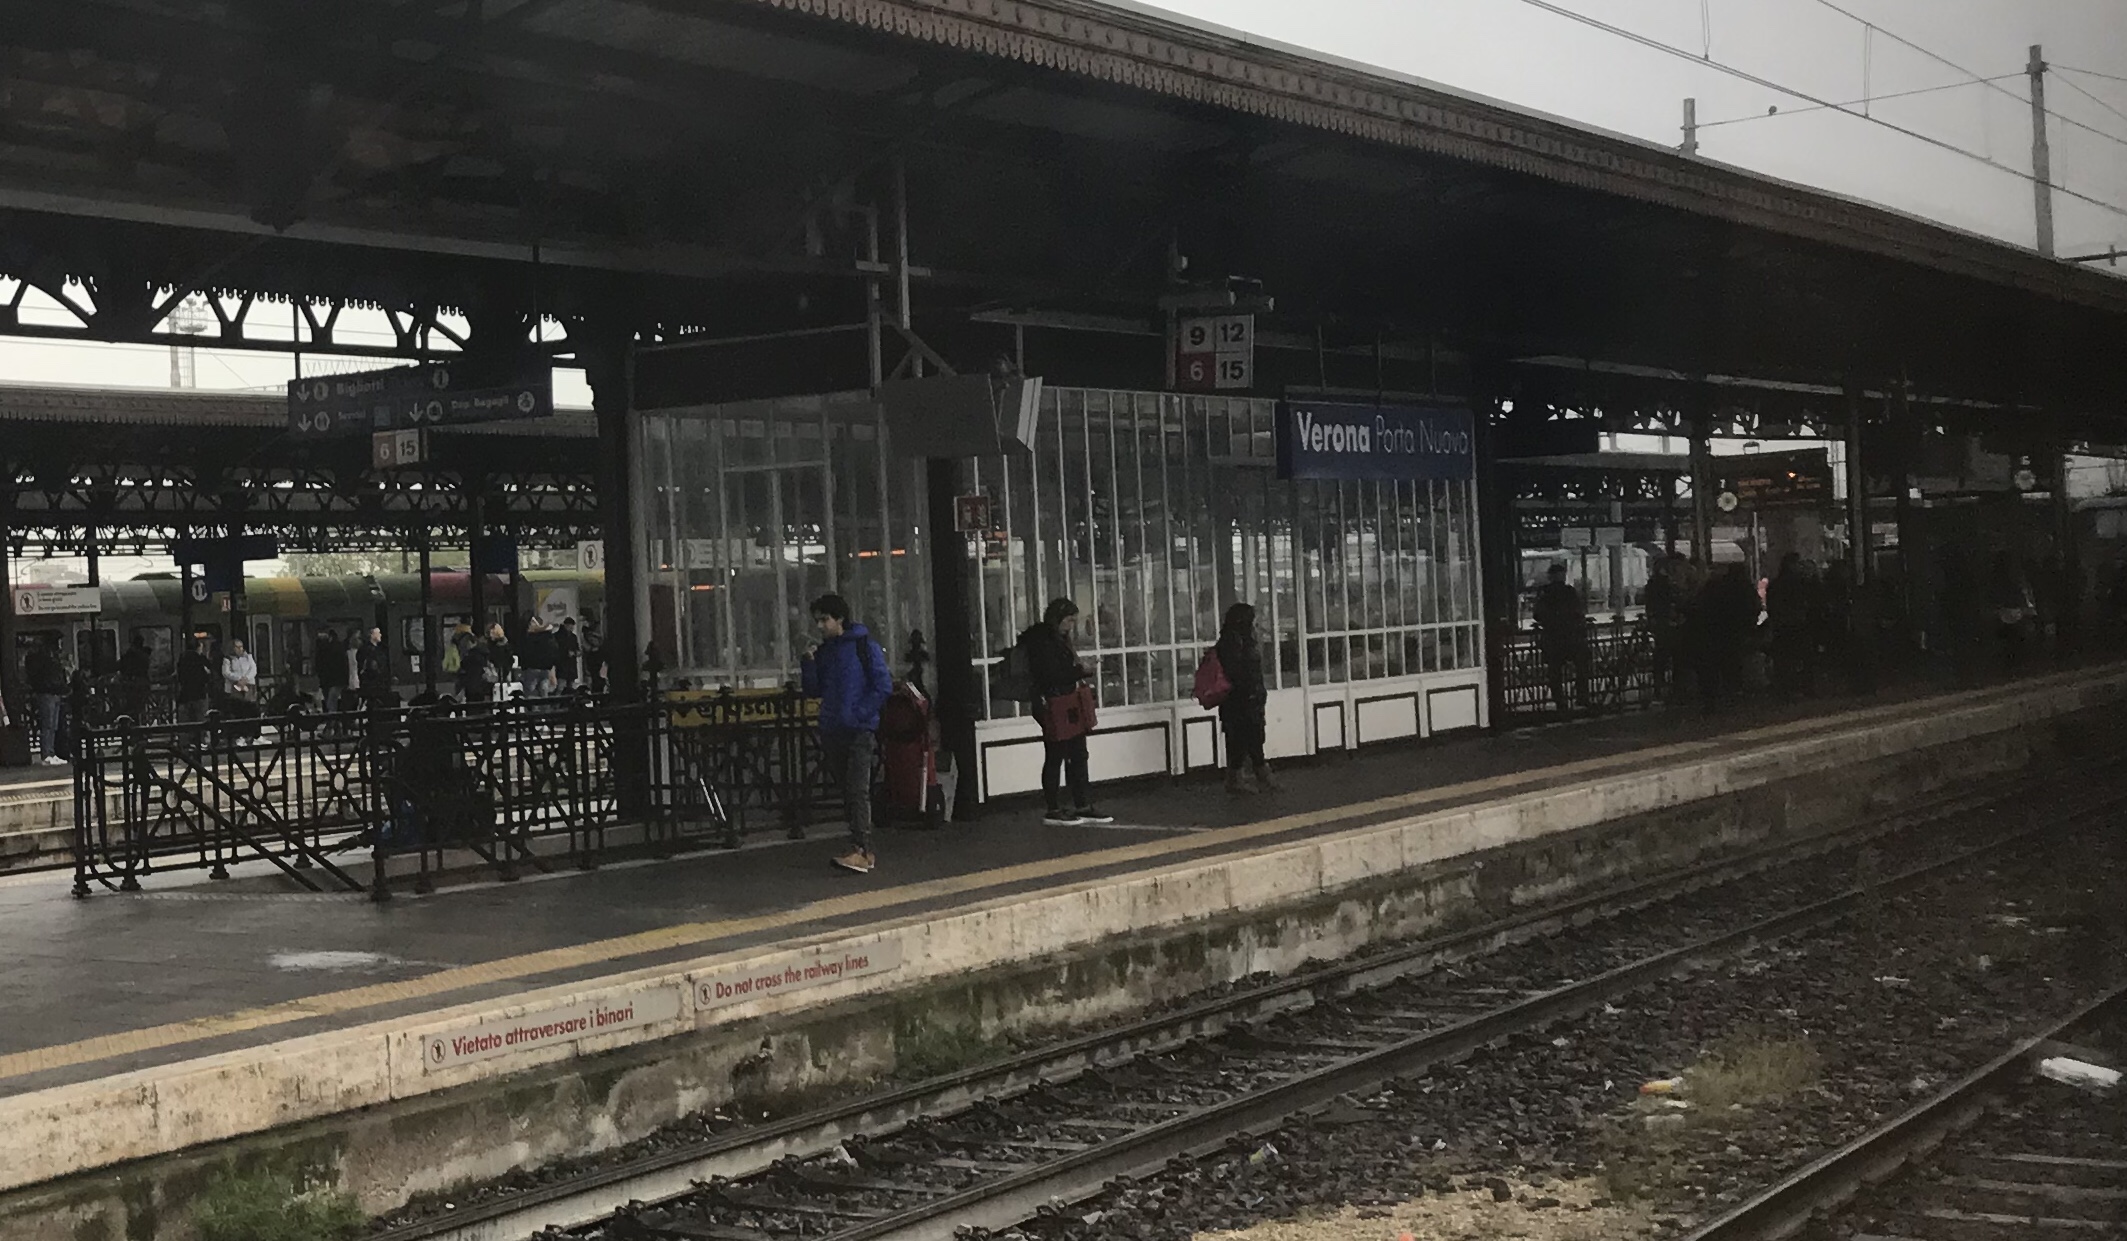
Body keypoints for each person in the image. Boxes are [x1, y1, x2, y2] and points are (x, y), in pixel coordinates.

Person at [799, 593, 895, 875]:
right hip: (835, 728)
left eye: (824, 619)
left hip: (857, 729)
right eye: (817, 620)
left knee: (856, 790)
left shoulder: (864, 647)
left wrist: (858, 715)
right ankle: (859, 846)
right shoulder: (826, 651)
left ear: (839, 618)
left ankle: (862, 848)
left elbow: (882, 685)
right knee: (849, 790)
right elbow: (814, 689)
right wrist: (808, 663)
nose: (820, 626)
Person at [1020, 598, 1115, 826]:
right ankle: (1053, 808)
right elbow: (1050, 674)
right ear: (1058, 619)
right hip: (1053, 701)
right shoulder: (1042, 642)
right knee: (1056, 755)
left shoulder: (1059, 639)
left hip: (1066, 699)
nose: (1071, 625)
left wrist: (1078, 670)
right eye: (1069, 620)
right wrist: (1080, 671)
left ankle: (1082, 804)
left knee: (1078, 753)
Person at [1214, 602, 1279, 795]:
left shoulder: (1234, 639)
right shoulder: (1235, 641)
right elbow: (1238, 672)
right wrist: (1250, 692)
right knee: (1246, 738)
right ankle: (1251, 777)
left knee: (1247, 738)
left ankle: (1244, 776)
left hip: (1244, 700)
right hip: (1241, 701)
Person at [1533, 564, 1591, 713]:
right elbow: (1578, 611)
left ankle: (1560, 700)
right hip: (1571, 635)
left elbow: (1537, 614)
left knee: (1555, 671)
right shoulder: (1569, 592)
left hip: (1553, 636)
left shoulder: (1545, 593)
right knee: (1582, 665)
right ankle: (1582, 696)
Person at [1765, 553, 1818, 700]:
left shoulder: (1776, 584)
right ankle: (1806, 687)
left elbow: (1772, 606)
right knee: (1804, 657)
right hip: (1797, 624)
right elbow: (1808, 601)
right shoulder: (1799, 583)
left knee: (1784, 660)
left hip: (1782, 625)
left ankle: (1784, 690)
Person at [25, 637, 68, 766]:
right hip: (48, 692)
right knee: (48, 725)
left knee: (52, 725)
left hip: (51, 692)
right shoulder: (46, 660)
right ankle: (47, 753)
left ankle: (50, 752)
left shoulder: (47, 659)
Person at [518, 617, 560, 698]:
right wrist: (552, 669)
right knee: (544, 692)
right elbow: (554, 653)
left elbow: (524, 652)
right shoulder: (549, 637)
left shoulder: (529, 637)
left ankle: (533, 706)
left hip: (532, 668)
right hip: (545, 669)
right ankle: (544, 705)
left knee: (530, 693)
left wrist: (523, 666)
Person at [175, 638, 213, 725]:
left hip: (185, 695)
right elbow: (206, 676)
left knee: (186, 724)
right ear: (198, 648)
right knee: (201, 722)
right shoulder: (201, 660)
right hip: (199, 694)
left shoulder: (182, 659)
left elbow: (180, 677)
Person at [454, 629, 496, 704]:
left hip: (471, 688)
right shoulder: (483, 654)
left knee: (472, 706)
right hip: (483, 687)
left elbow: (464, 673)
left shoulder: (470, 657)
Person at [356, 627, 393, 708]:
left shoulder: (381, 649)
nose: (380, 635)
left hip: (381, 682)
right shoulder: (365, 650)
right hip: (371, 683)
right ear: (372, 635)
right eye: (378, 633)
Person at [315, 627, 349, 715]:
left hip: (332, 679)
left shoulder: (331, 648)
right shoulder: (335, 647)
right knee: (330, 701)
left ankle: (332, 719)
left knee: (331, 701)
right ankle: (333, 719)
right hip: (331, 679)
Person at [221, 639, 258, 703]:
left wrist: (246, 678)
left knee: (250, 704)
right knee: (237, 704)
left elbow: (253, 669)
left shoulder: (248, 657)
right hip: (234, 686)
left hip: (249, 685)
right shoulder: (228, 659)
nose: (240, 649)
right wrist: (239, 679)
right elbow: (226, 672)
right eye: (237, 647)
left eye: (241, 646)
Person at [484, 622, 515, 695]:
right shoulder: (491, 643)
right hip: (496, 670)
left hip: (500, 670)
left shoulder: (499, 645)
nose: (491, 635)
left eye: (492, 633)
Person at [556, 617, 582, 692]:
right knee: (561, 686)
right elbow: (556, 650)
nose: (572, 628)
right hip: (562, 665)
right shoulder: (558, 636)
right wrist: (566, 653)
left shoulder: (573, 637)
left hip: (571, 665)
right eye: (570, 627)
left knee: (570, 687)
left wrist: (577, 652)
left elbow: (577, 648)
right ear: (566, 625)